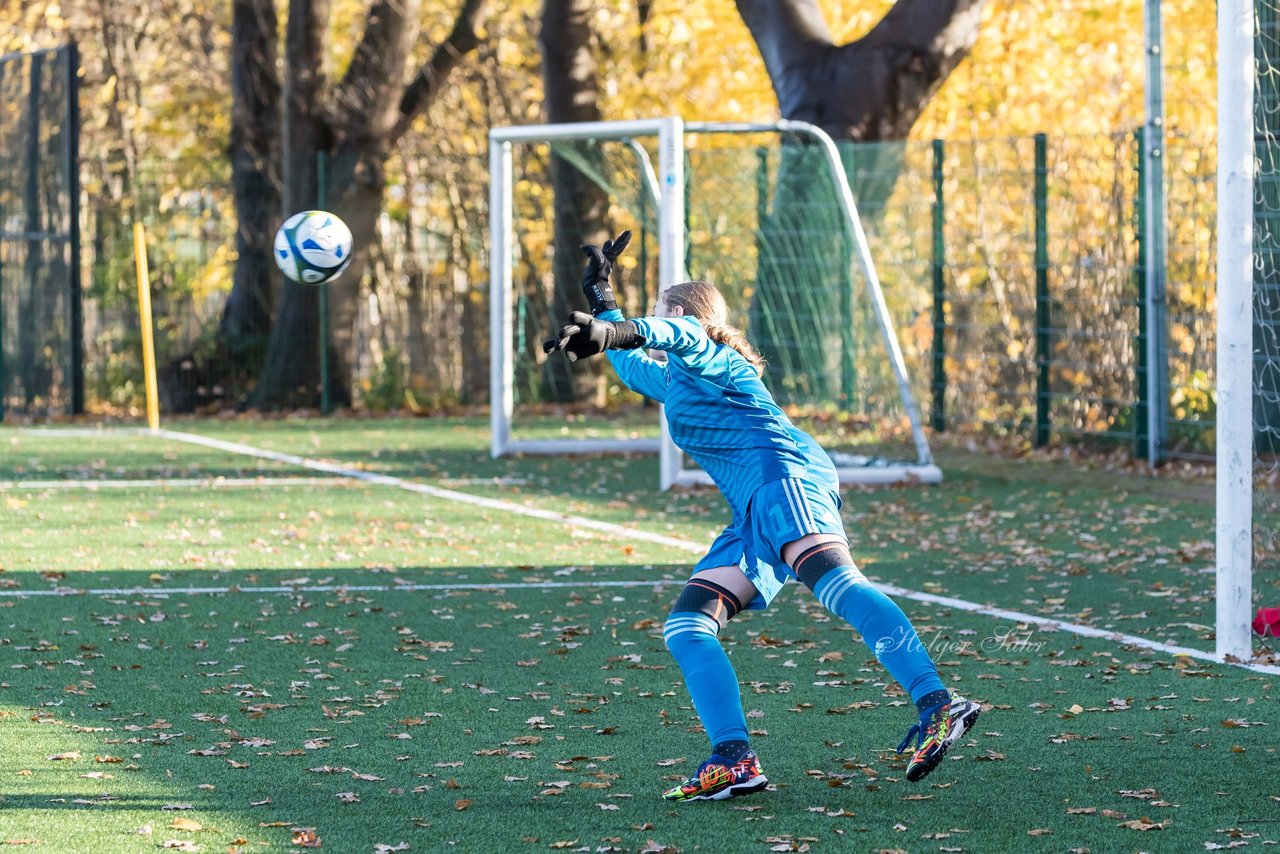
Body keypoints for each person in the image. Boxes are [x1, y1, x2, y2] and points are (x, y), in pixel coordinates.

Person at [543, 231, 980, 802]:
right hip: (752, 508)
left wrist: (622, 328)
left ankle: (938, 705)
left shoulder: (712, 355)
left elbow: (680, 334)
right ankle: (734, 758)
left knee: (838, 583)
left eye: (658, 312)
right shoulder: (677, 377)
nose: (655, 322)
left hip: (785, 477)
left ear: (678, 313)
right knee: (688, 626)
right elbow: (631, 364)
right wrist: (603, 300)